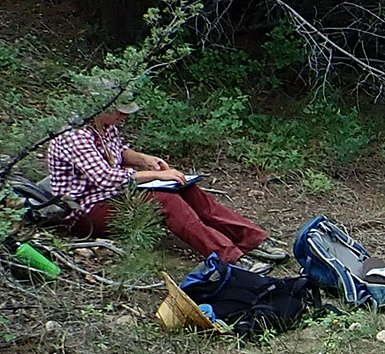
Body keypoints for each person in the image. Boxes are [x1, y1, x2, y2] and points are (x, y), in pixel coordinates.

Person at [46, 101, 285, 274]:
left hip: (115, 195)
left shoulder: (104, 127)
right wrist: (152, 174)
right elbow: (106, 177)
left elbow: (118, 152)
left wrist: (143, 159)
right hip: (86, 210)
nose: (123, 116)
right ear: (103, 106)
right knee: (164, 200)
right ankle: (228, 257)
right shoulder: (75, 136)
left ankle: (251, 240)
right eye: (119, 111)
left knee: (186, 188)